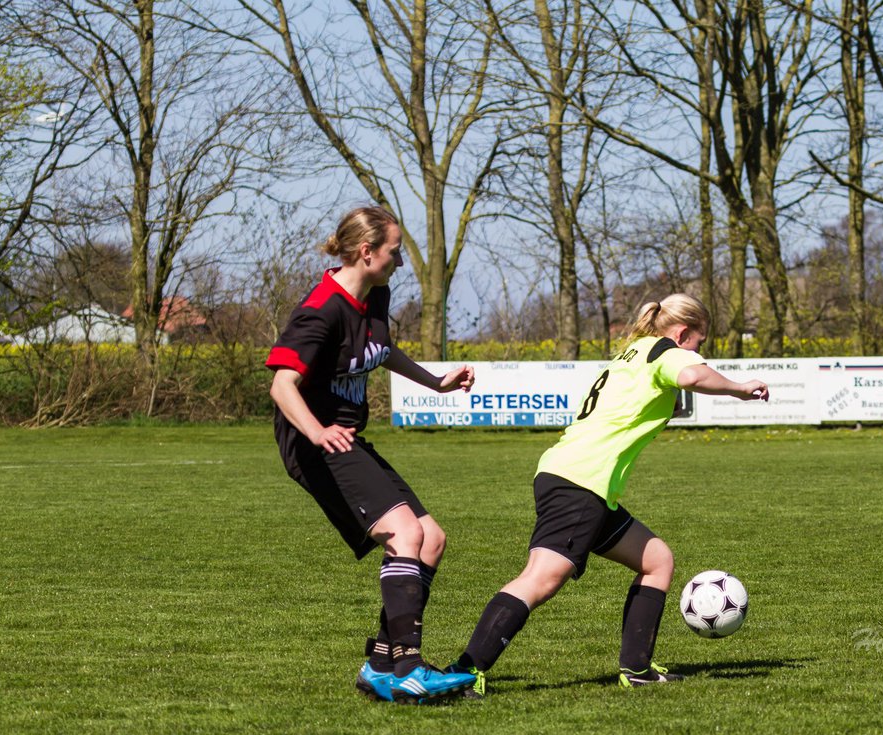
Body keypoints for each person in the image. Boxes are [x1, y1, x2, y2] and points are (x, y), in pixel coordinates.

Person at [445, 294, 769, 693]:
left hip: (577, 478)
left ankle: (636, 669)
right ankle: (465, 670)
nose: (697, 354)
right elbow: (690, 376)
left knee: (657, 560)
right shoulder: (664, 350)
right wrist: (739, 389)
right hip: (581, 481)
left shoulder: (634, 350)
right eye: (698, 344)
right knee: (542, 578)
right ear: (683, 333)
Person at [266, 206, 477, 704]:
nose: (400, 261)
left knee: (431, 539)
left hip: (345, 438)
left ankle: (380, 665)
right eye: (394, 251)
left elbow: (381, 351)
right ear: (367, 252)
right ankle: (409, 666)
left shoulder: (375, 295)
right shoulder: (321, 309)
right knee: (406, 533)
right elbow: (281, 384)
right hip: (314, 444)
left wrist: (436, 382)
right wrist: (318, 432)